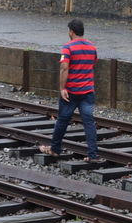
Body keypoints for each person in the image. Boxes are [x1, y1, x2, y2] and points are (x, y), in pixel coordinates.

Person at [39, 19, 100, 161]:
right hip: (87, 92)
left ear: (71, 31)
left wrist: (62, 88)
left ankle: (55, 149)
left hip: (71, 92)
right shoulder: (92, 47)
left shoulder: (68, 47)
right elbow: (93, 64)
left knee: (62, 120)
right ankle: (92, 155)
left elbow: (64, 67)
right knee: (89, 122)